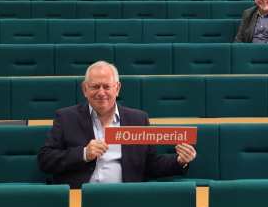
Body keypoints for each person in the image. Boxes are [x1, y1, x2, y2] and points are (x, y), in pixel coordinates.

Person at [38, 60, 197, 187]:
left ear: (117, 88)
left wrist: (180, 161)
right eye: (95, 87)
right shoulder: (66, 117)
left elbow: (150, 165)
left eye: (107, 86)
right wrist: (84, 153)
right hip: (80, 198)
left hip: (124, 198)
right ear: (85, 89)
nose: (101, 93)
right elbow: (45, 160)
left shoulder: (138, 120)